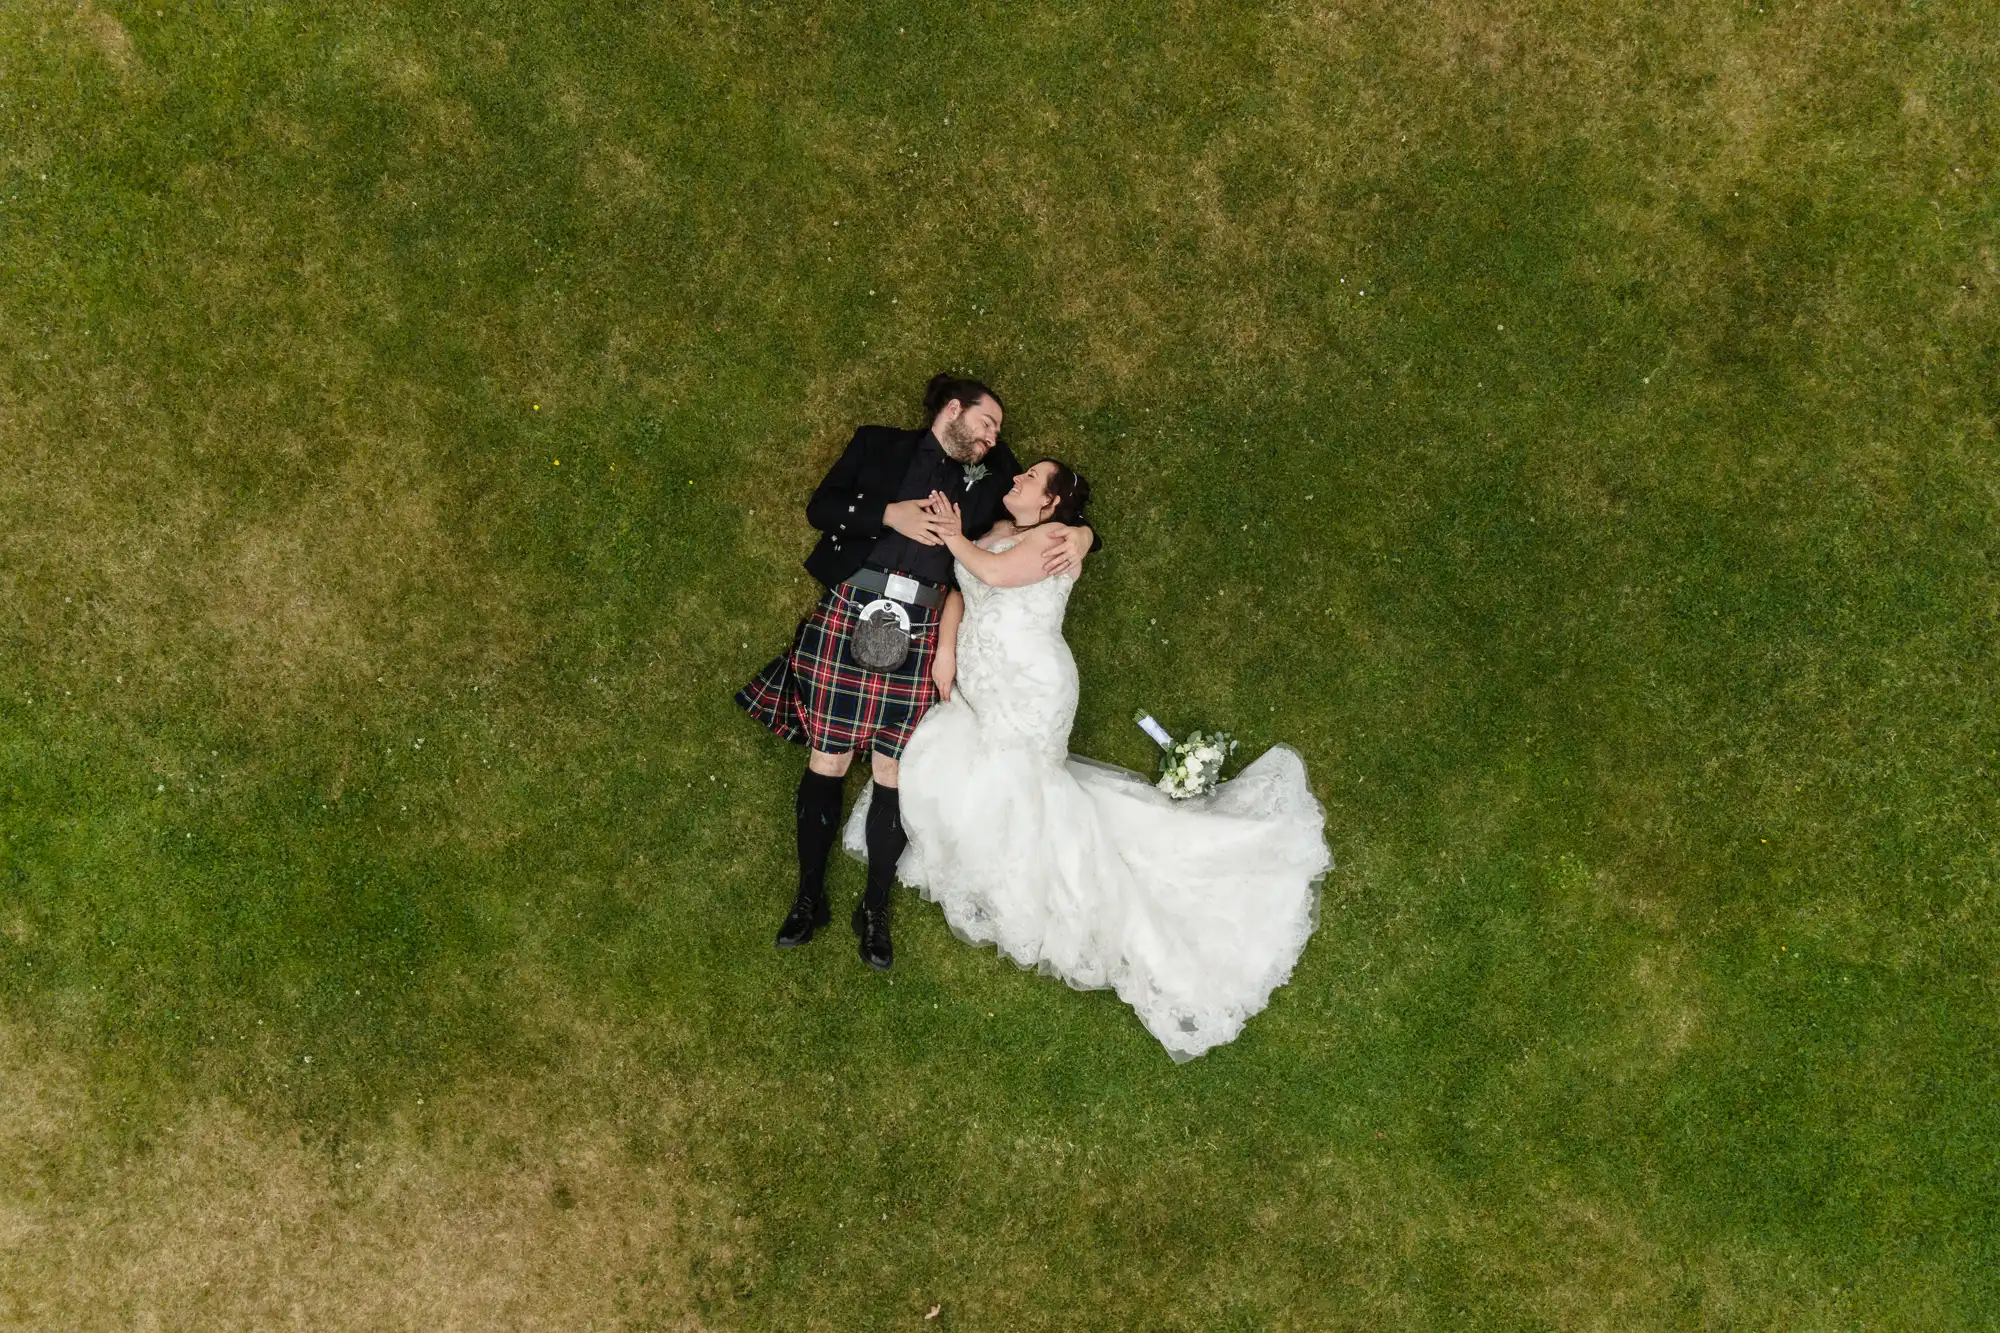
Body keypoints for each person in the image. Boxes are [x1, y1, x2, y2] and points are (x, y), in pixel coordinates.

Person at [842, 461, 1330, 1060]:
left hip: (1030, 684)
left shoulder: (1051, 542)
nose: (1017, 478)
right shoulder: (995, 525)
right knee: (959, 760)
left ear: (1050, 508)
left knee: (1024, 784)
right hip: (983, 680)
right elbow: (959, 589)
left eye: (1031, 478)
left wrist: (952, 533)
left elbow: (991, 570)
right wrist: (944, 651)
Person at [736, 373, 1095, 970]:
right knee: (827, 756)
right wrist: (888, 515)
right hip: (852, 610)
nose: (992, 440)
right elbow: (820, 508)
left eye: (997, 434)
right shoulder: (878, 445)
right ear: (953, 410)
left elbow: (1050, 513)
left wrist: (1084, 535)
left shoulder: (998, 475)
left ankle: (873, 910)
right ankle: (808, 897)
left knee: (892, 767)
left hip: (925, 625)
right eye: (986, 424)